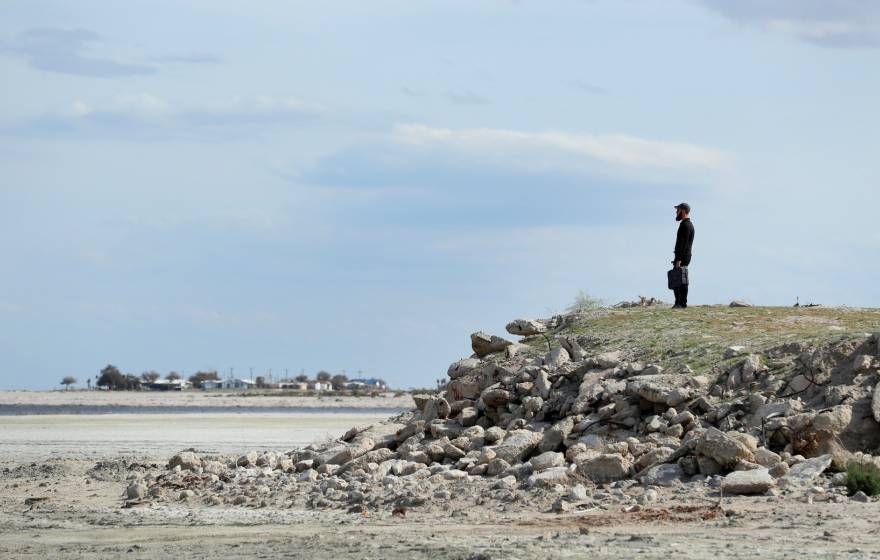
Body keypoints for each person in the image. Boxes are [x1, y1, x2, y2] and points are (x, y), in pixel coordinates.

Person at [672, 202, 694, 308]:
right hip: (684, 256)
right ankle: (681, 303)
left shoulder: (686, 225)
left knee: (679, 280)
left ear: (683, 211)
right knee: (681, 279)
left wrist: (679, 259)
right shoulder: (686, 224)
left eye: (678, 210)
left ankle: (680, 303)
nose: (676, 212)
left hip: (682, 257)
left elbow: (683, 244)